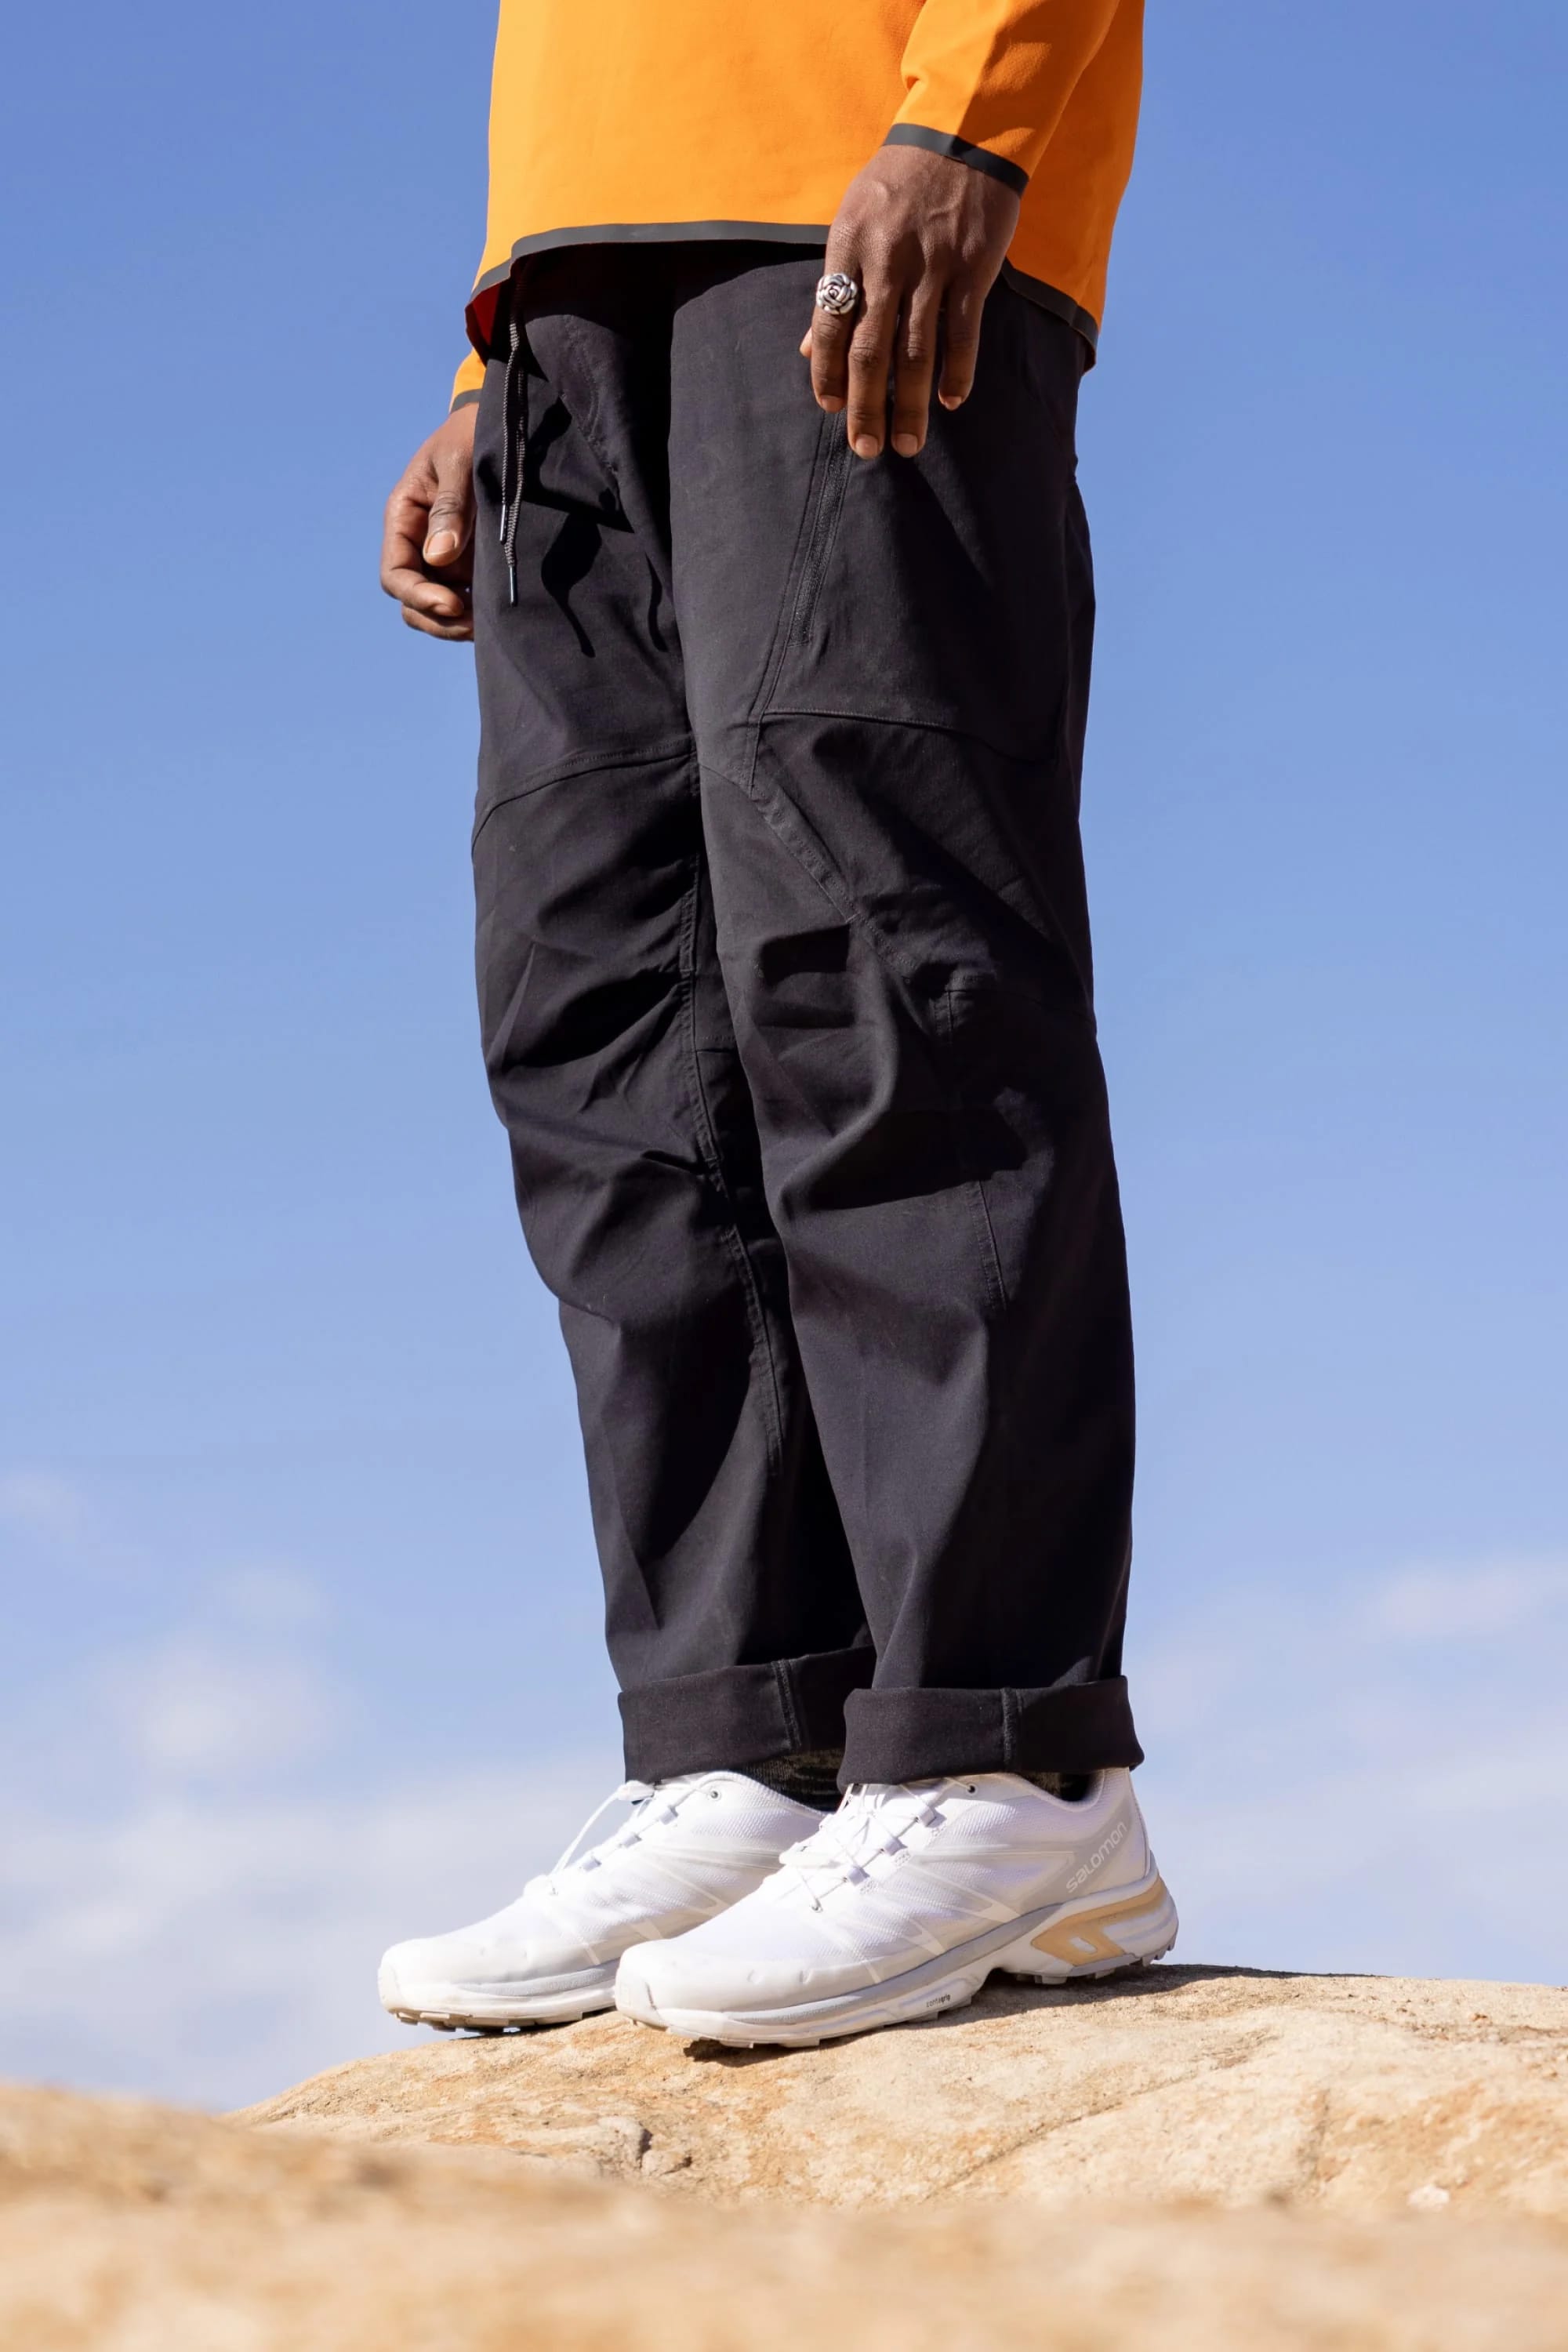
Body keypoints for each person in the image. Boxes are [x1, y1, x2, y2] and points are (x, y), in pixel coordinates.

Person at [376, 0, 1176, 2050]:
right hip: (566, 309)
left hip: (849, 202)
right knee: (606, 1028)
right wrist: (492, 359)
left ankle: (1010, 1753)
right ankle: (754, 1746)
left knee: (885, 973)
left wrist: (969, 125)